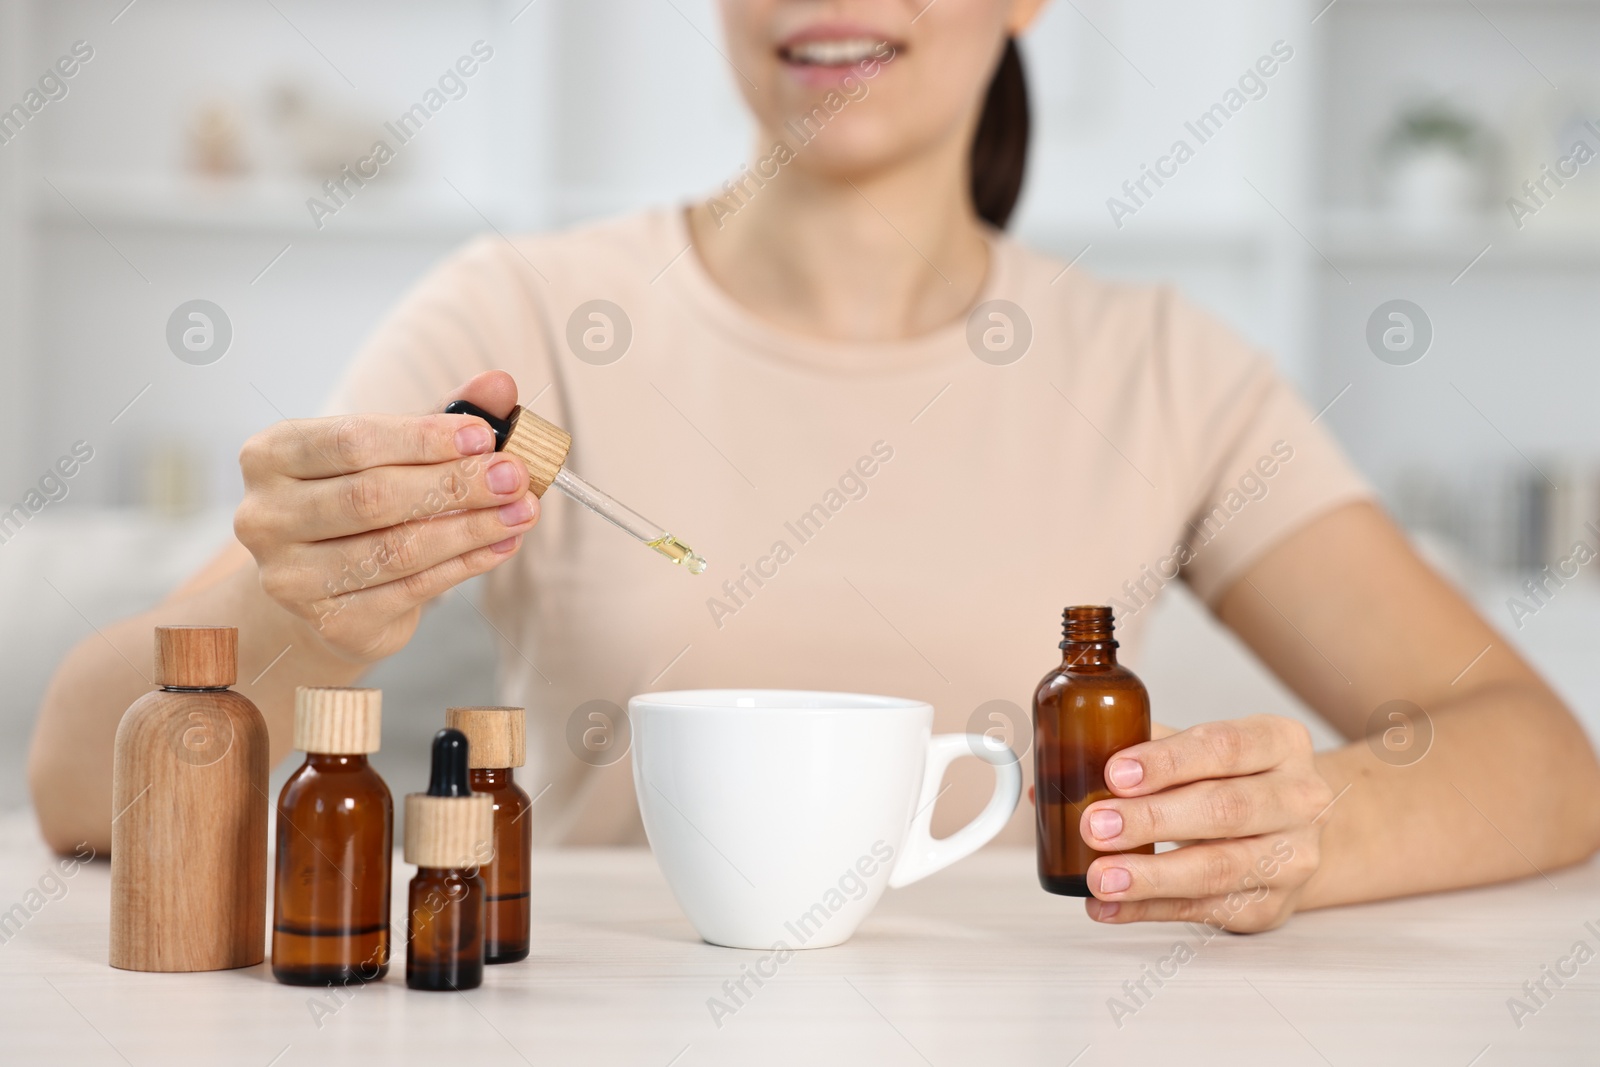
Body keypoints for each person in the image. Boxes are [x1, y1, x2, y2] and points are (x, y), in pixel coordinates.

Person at [28, 0, 1600, 932]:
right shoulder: (517, 319)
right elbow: (78, 781)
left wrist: (1315, 826)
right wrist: (311, 599)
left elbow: (1536, 753)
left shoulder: (1170, 373)